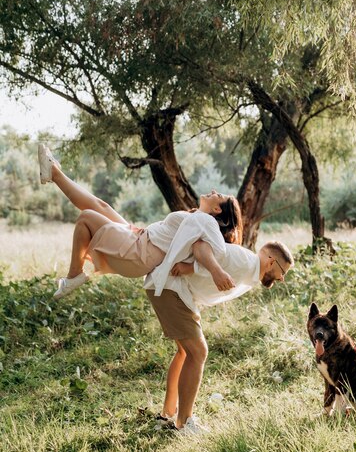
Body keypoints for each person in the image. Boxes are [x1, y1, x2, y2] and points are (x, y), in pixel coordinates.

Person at [37, 144, 243, 299]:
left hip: (140, 253)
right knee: (100, 206)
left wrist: (216, 272)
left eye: (220, 196)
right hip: (141, 237)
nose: (215, 191)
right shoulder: (198, 219)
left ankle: (74, 276)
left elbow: (215, 252)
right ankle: (54, 172)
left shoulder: (207, 224)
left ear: (217, 209)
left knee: (86, 219)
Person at [144, 238, 294, 434]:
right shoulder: (244, 261)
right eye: (283, 273)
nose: (282, 279)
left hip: (175, 290)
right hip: (170, 287)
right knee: (198, 352)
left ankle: (168, 414)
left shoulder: (250, 272)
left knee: (185, 353)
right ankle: (184, 423)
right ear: (272, 262)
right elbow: (203, 247)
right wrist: (192, 267)